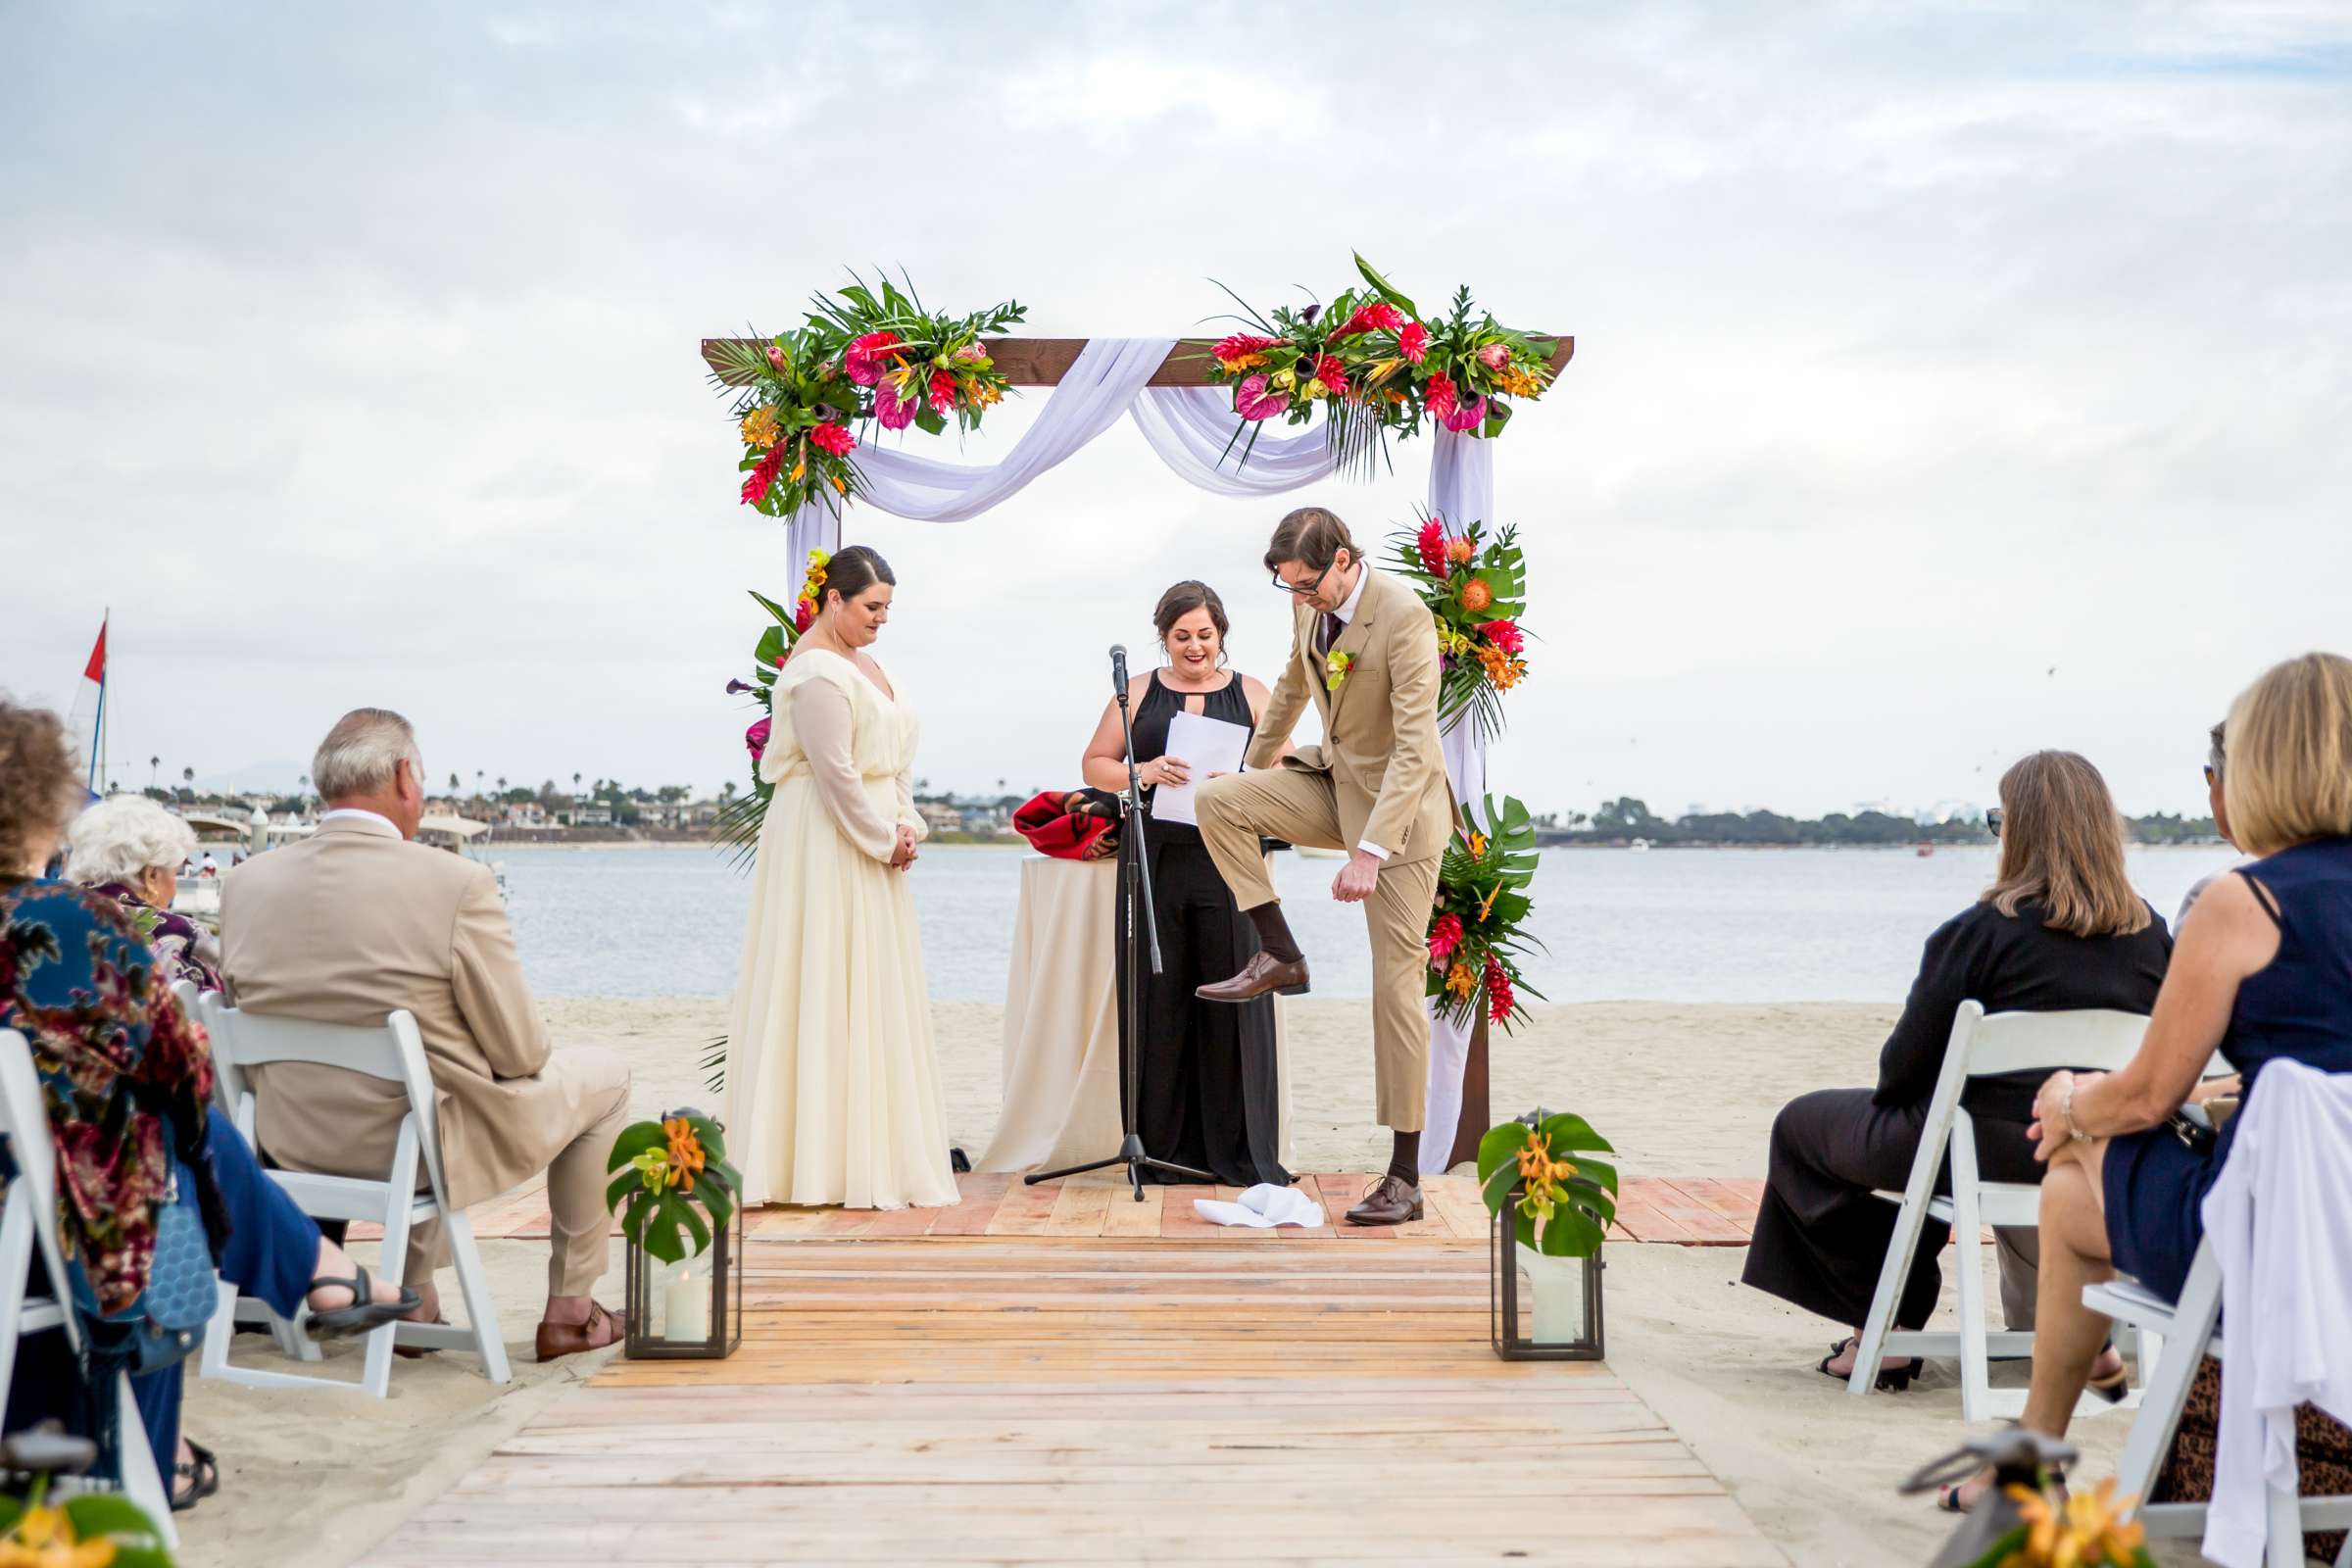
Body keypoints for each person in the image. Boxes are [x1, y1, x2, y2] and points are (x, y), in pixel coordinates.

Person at [1940, 652, 2352, 1511]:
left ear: (2265, 764)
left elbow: (2146, 1097)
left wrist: (2067, 1104)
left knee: (2070, 1175)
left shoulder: (2246, 903)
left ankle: (2032, 1452)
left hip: (2276, 1244)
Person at [0, 698, 416, 1513]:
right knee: (168, 1175)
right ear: (41, 801)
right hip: (54, 1221)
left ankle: (314, 1275)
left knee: (159, 1155)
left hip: (24, 1213)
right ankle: (152, 1464)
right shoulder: (65, 923)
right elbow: (181, 1073)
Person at [1742, 751, 2170, 1392]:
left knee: (1807, 1128)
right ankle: (2067, 1335)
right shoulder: (2152, 937)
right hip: (2100, 1158)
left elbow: (1901, 1074)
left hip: (1980, 1150)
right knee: (1927, 1135)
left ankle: (1885, 1332)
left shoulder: (1979, 932)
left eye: (1999, 821)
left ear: (2019, 831)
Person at [220, 707, 632, 1361]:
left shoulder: (245, 883)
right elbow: (521, 1053)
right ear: (406, 778)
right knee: (604, 1078)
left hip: (287, 1141)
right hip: (414, 1150)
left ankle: (419, 1297)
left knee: (428, 1077)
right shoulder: (455, 883)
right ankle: (572, 1310)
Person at [1194, 508, 1453, 1226]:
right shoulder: (1310, 609)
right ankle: (1281, 955)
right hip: (1333, 783)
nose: (1301, 599)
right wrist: (1254, 764)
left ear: (1341, 559)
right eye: (1289, 589)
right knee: (1220, 802)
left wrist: (1371, 850)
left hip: (1400, 820)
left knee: (1395, 987)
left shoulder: (1405, 617)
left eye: (1309, 585)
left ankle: (1405, 1176)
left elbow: (1415, 749)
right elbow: (1290, 686)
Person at [723, 545, 956, 1210]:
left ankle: (870, 1150)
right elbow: (835, 775)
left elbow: (896, 763)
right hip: (828, 841)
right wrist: (882, 841)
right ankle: (812, 1162)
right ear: (834, 601)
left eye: (887, 608)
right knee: (822, 978)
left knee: (873, 987)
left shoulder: (871, 665)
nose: (881, 620)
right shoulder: (818, 672)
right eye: (872, 607)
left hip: (881, 837)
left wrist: (909, 825)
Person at [1078, 580, 1288, 1188]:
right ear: (1163, 637)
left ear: (1221, 634)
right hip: (1154, 859)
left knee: (1235, 995)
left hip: (1232, 865)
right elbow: (1094, 762)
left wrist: (1244, 777)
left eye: (1205, 635)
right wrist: (1139, 771)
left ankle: (1240, 1154)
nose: (1195, 648)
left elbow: (1286, 766)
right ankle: (1163, 1149)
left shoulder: (1251, 693)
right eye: (1182, 636)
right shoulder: (1137, 692)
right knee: (1157, 997)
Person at [65, 793, 222, 990]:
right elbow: (222, 1006)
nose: (175, 886)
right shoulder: (179, 934)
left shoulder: (44, 916)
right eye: (175, 872)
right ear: (151, 876)